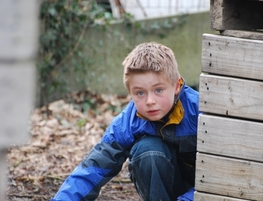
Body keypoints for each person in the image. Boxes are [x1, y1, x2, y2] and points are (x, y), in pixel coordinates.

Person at [51, 42, 201, 201]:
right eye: (140, 93)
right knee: (148, 150)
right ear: (130, 93)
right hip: (166, 190)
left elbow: (225, 168)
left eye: (158, 90)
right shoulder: (129, 121)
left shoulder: (200, 112)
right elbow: (94, 167)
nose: (150, 101)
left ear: (177, 86)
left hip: (207, 191)